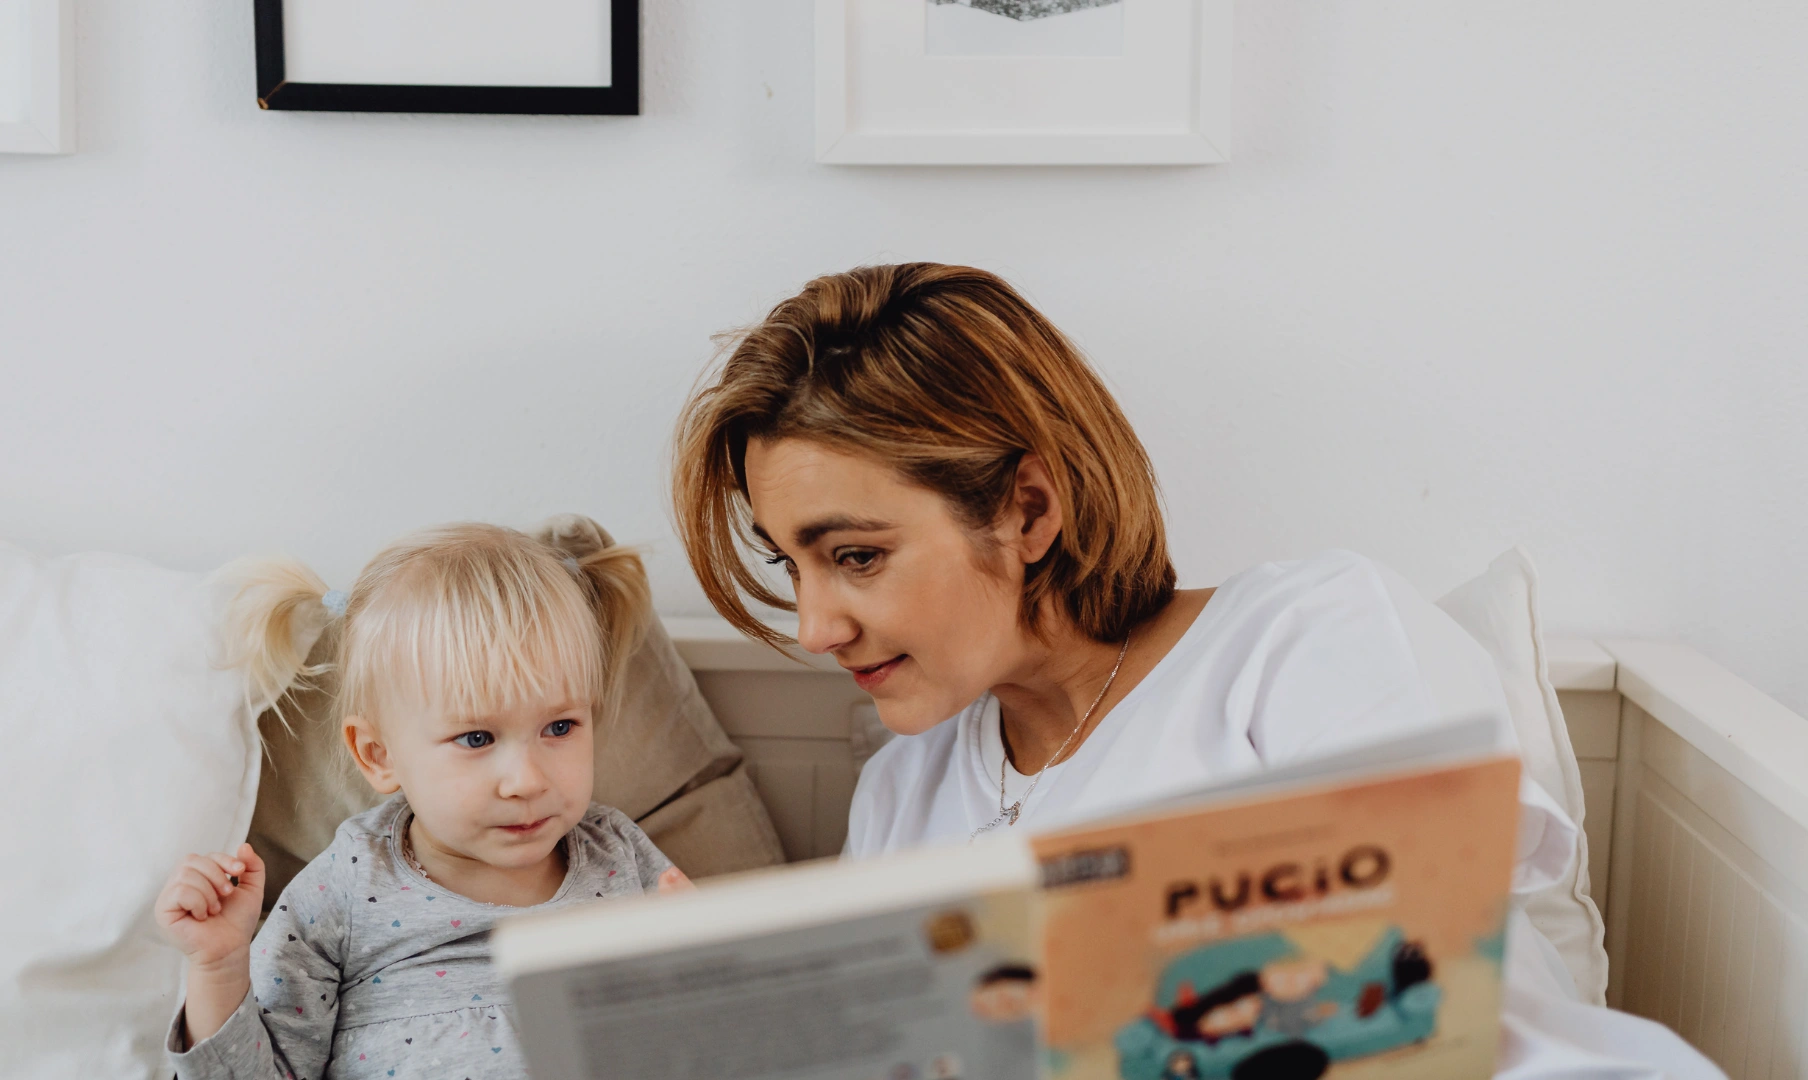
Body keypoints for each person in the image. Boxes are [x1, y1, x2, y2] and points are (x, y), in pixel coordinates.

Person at [672, 262, 1726, 1080]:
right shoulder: (906, 791)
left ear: (1029, 509)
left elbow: (1418, 989)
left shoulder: (1305, 636)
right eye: (792, 565)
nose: (814, 626)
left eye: (855, 556)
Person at [153, 523, 690, 1080]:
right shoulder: (348, 886)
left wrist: (702, 961)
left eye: (560, 726)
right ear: (378, 754)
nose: (527, 780)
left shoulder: (620, 856)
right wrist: (218, 968)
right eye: (476, 739)